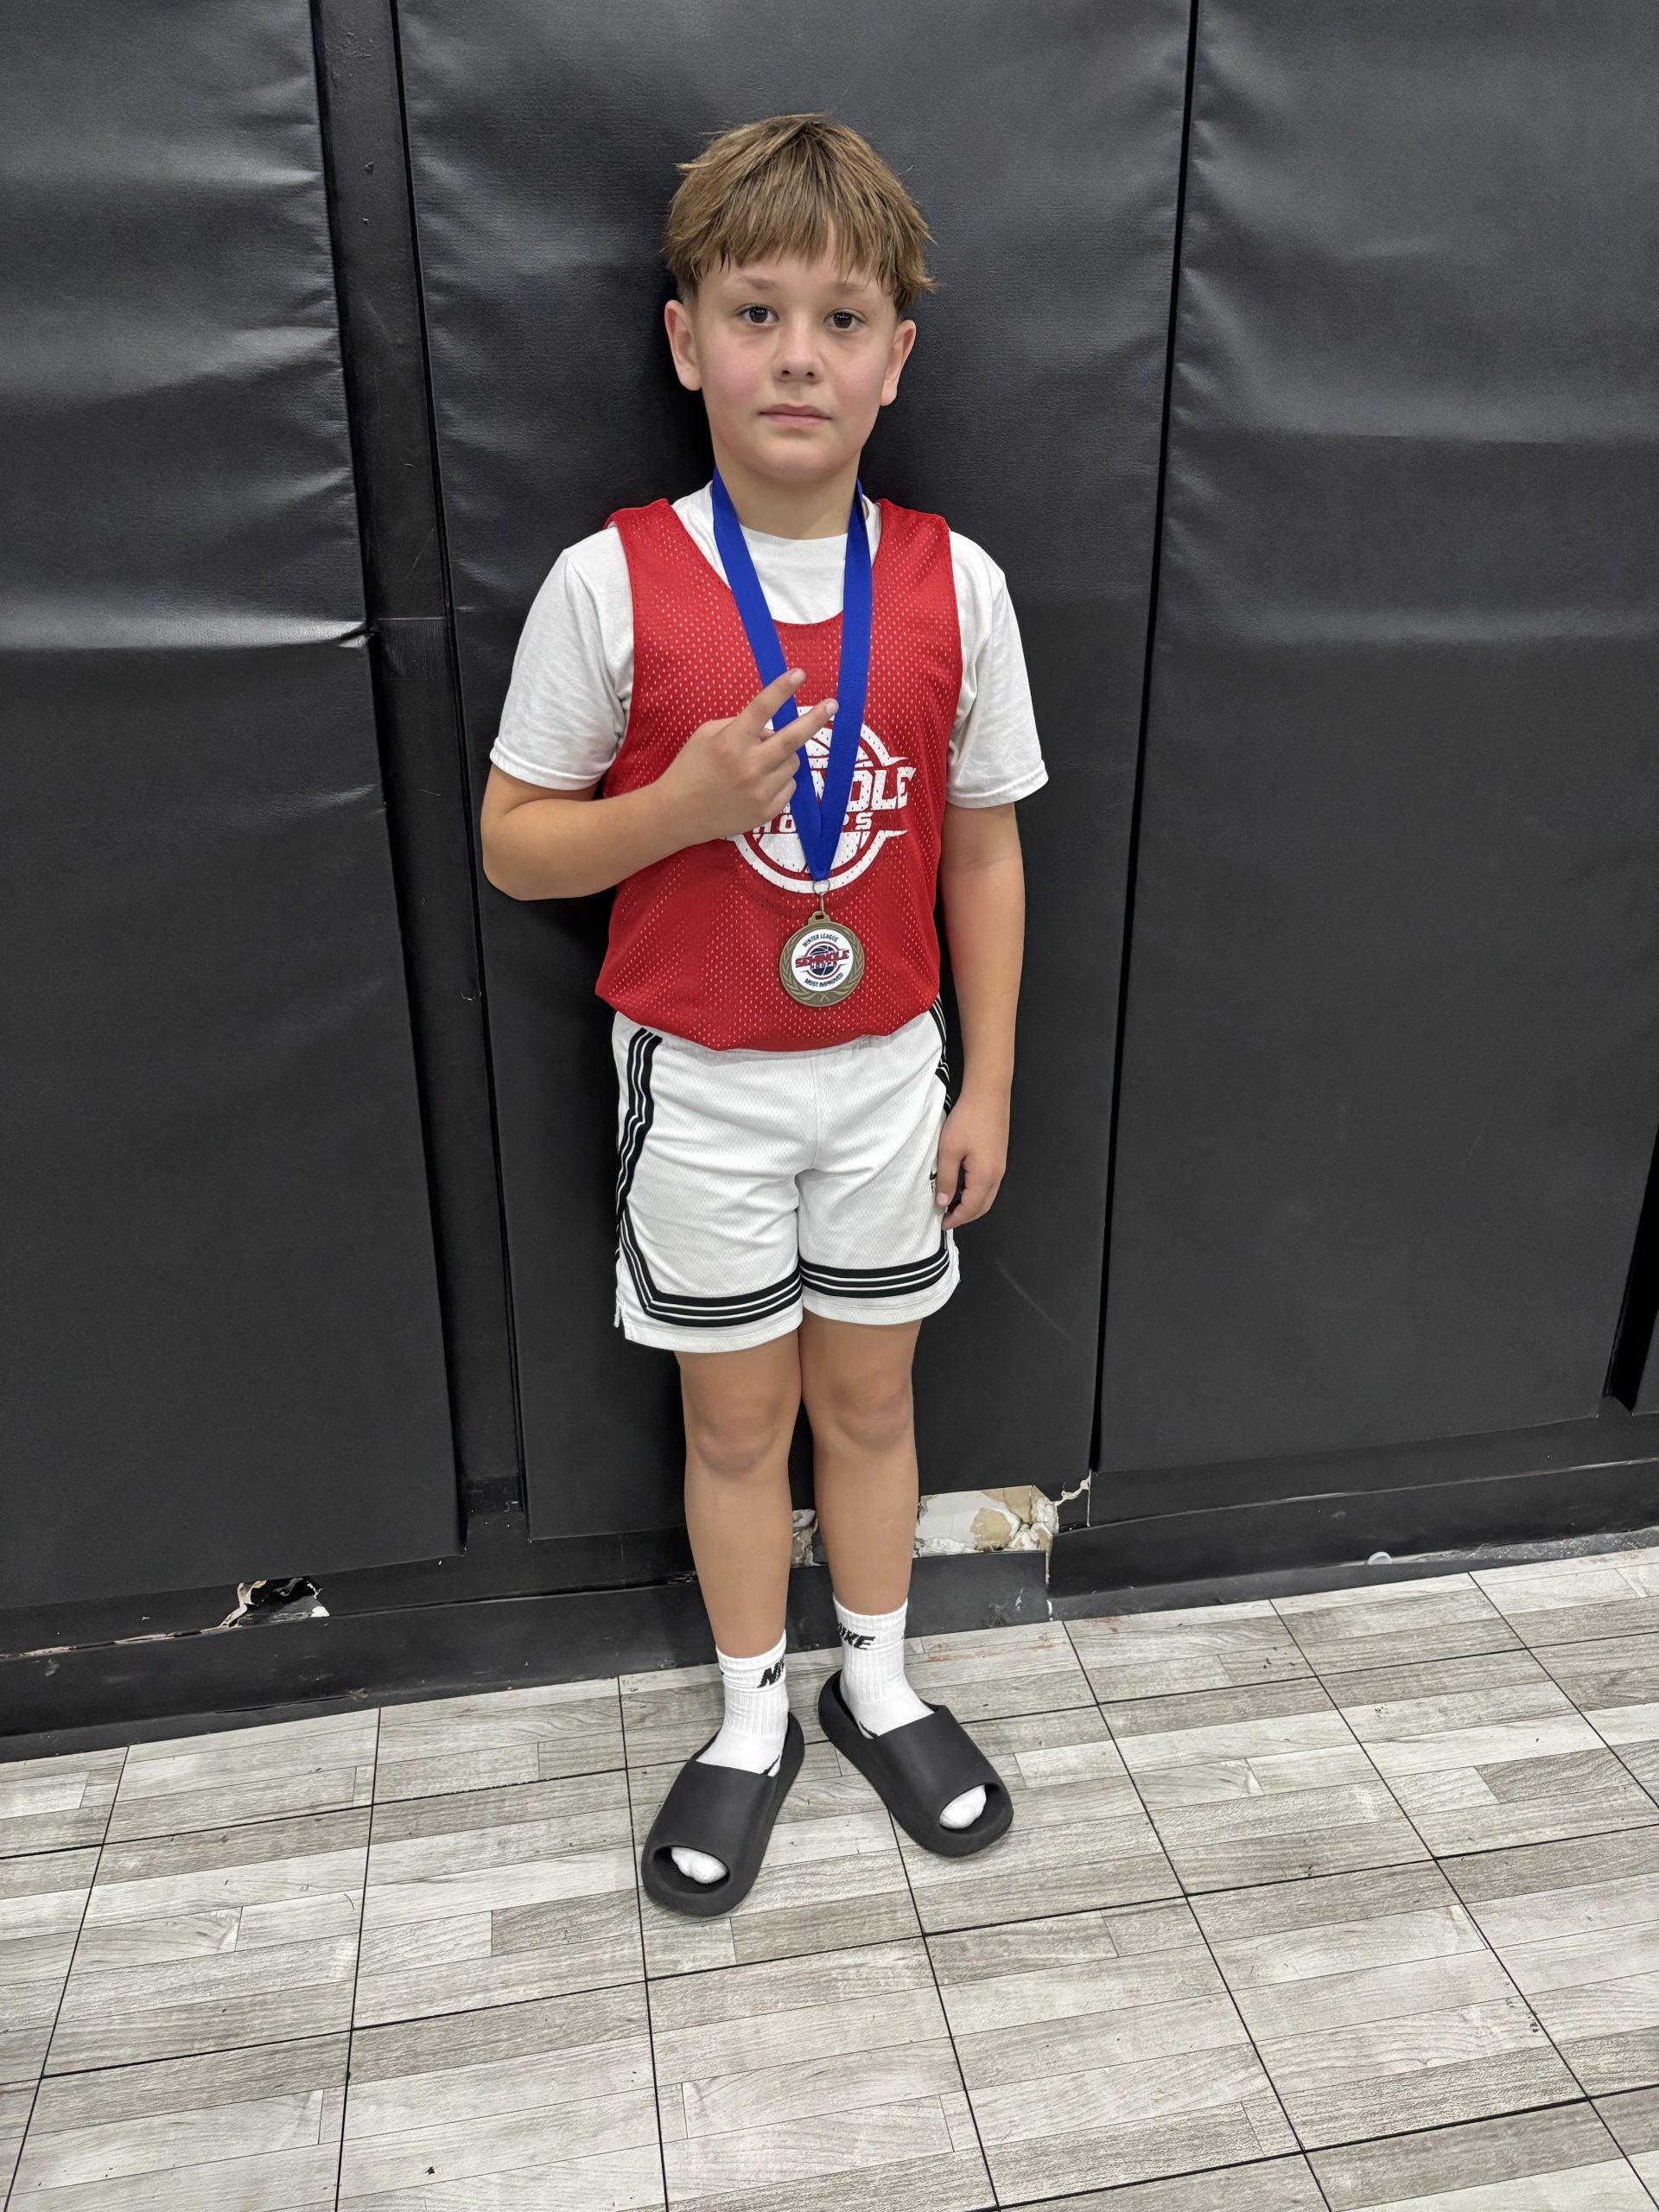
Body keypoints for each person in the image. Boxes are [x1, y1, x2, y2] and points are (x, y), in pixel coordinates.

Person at [479, 112, 1047, 1917]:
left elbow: (983, 853)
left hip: (887, 1077)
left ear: (897, 359)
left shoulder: (954, 581)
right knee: (735, 1423)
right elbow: (512, 843)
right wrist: (678, 808)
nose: (798, 355)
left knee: (870, 1401)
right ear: (685, 342)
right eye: (755, 313)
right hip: (705, 1079)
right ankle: (749, 1717)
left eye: (841, 318)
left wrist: (987, 1086)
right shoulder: (613, 579)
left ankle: (877, 1681)